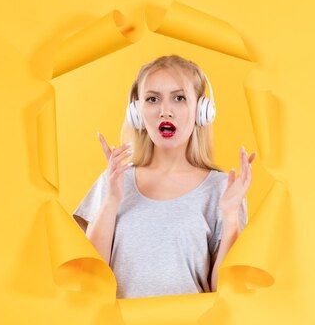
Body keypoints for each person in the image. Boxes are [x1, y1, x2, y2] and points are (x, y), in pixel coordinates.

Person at [72, 55, 256, 299]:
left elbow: (223, 291)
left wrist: (230, 214)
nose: (165, 111)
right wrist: (111, 199)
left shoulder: (222, 189)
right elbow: (89, 278)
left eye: (179, 98)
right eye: (152, 99)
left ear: (202, 111)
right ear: (137, 112)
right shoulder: (114, 180)